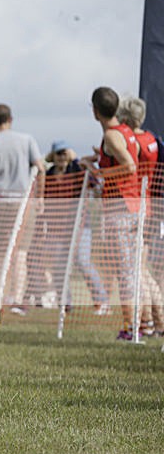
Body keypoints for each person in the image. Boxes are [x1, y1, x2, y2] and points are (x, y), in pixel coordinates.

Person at [80, 87, 141, 340]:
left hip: (121, 208)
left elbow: (129, 166)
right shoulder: (124, 131)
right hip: (132, 207)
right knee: (130, 269)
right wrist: (101, 158)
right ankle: (137, 323)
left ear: (95, 111)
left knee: (125, 271)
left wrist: (96, 173)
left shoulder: (112, 135)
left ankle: (132, 327)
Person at [0, 104, 46, 316]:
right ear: (10, 119)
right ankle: (16, 298)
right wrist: (40, 197)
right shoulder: (27, 140)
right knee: (20, 252)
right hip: (22, 203)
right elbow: (40, 168)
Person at [25, 141, 109, 313]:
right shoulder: (48, 175)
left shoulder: (77, 170)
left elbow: (96, 183)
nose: (62, 157)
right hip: (57, 228)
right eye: (58, 154)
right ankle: (65, 302)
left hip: (80, 226)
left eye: (65, 153)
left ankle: (102, 301)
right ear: (53, 156)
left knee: (82, 261)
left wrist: (77, 159)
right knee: (58, 266)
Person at [117, 95, 164, 335]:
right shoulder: (154, 140)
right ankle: (158, 322)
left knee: (136, 270)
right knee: (144, 269)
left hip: (133, 204)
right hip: (150, 206)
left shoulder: (129, 140)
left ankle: (144, 323)